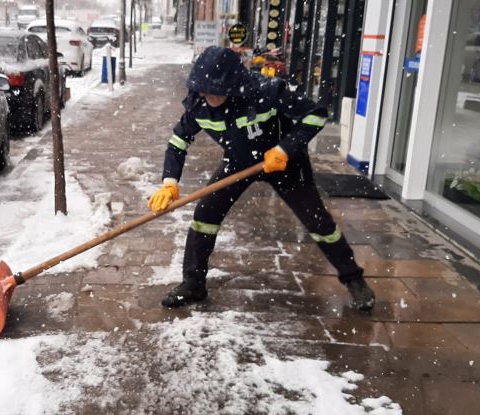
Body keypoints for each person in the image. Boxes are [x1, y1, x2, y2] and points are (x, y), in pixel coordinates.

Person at [148, 46, 376, 311]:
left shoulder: (265, 91)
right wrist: (169, 182)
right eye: (203, 89)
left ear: (233, 84)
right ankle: (193, 283)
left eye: (214, 90)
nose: (208, 96)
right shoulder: (199, 105)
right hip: (239, 163)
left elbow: (316, 114)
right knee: (205, 217)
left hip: (285, 164)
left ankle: (354, 279)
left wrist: (284, 149)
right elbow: (178, 141)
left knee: (318, 222)